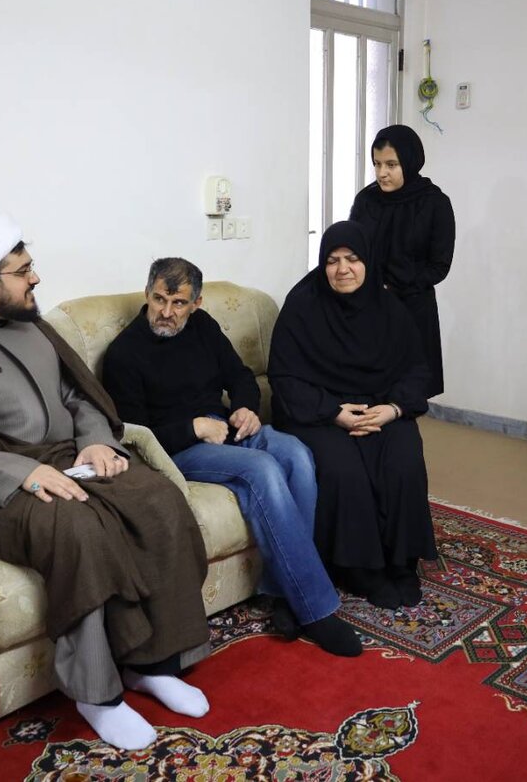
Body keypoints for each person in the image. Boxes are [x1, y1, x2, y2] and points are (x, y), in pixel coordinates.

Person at [0, 217, 212, 752]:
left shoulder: (36, 325)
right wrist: (22, 472)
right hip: (0, 481)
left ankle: (153, 664)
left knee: (159, 500)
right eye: (23, 272)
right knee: (78, 531)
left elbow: (79, 395)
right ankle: (97, 695)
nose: (34, 278)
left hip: (73, 456)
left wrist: (95, 442)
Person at [102, 258, 362, 657]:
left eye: (178, 303)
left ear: (197, 304)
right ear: (147, 294)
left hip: (225, 427)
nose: (166, 312)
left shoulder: (203, 327)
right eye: (158, 299)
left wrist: (245, 407)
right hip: (177, 449)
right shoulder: (125, 353)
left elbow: (240, 376)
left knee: (296, 454)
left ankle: (281, 594)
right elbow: (135, 436)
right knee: (263, 469)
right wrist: (194, 428)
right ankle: (316, 610)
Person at [268, 221, 439, 609]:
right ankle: (361, 569)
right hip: (318, 411)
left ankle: (402, 563)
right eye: (332, 260)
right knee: (344, 470)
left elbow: (417, 369)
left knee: (403, 458)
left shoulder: (390, 308)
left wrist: (393, 409)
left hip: (381, 406)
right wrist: (333, 412)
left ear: (368, 262)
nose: (342, 269)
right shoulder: (303, 306)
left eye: (352, 259)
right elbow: (284, 377)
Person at [349, 123, 456, 398]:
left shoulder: (435, 203)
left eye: (391, 165)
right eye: (377, 164)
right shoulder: (366, 200)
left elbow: (439, 265)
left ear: (409, 161)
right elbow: (353, 248)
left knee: (407, 392)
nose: (381, 173)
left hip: (413, 308)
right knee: (368, 387)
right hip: (369, 305)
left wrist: (396, 286)